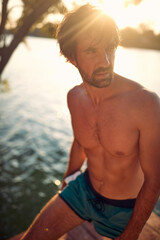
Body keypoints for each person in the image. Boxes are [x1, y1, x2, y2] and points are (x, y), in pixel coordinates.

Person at [16, 4, 160, 240]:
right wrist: (67, 182)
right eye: (92, 51)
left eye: (110, 48)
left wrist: (131, 234)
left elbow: (155, 180)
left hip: (124, 208)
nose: (105, 61)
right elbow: (80, 142)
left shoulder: (145, 103)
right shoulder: (74, 97)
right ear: (72, 57)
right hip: (83, 190)